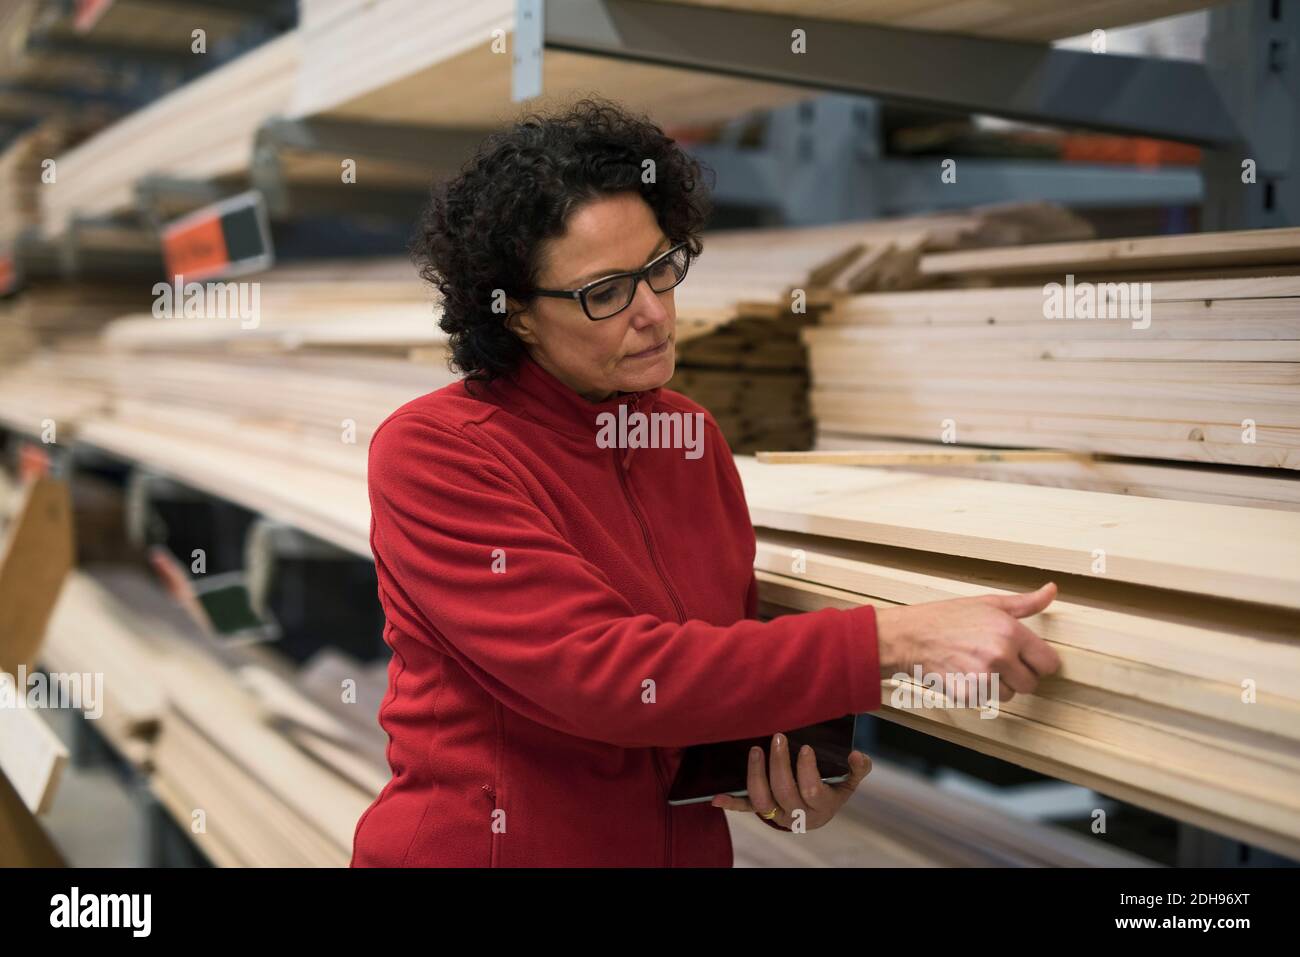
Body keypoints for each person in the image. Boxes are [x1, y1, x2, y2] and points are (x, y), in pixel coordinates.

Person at [350, 98, 1060, 867]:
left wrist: (784, 779)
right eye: (606, 292)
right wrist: (900, 638)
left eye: (661, 266)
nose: (654, 312)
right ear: (515, 313)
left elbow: (709, 671)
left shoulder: (686, 439)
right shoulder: (436, 452)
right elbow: (607, 674)